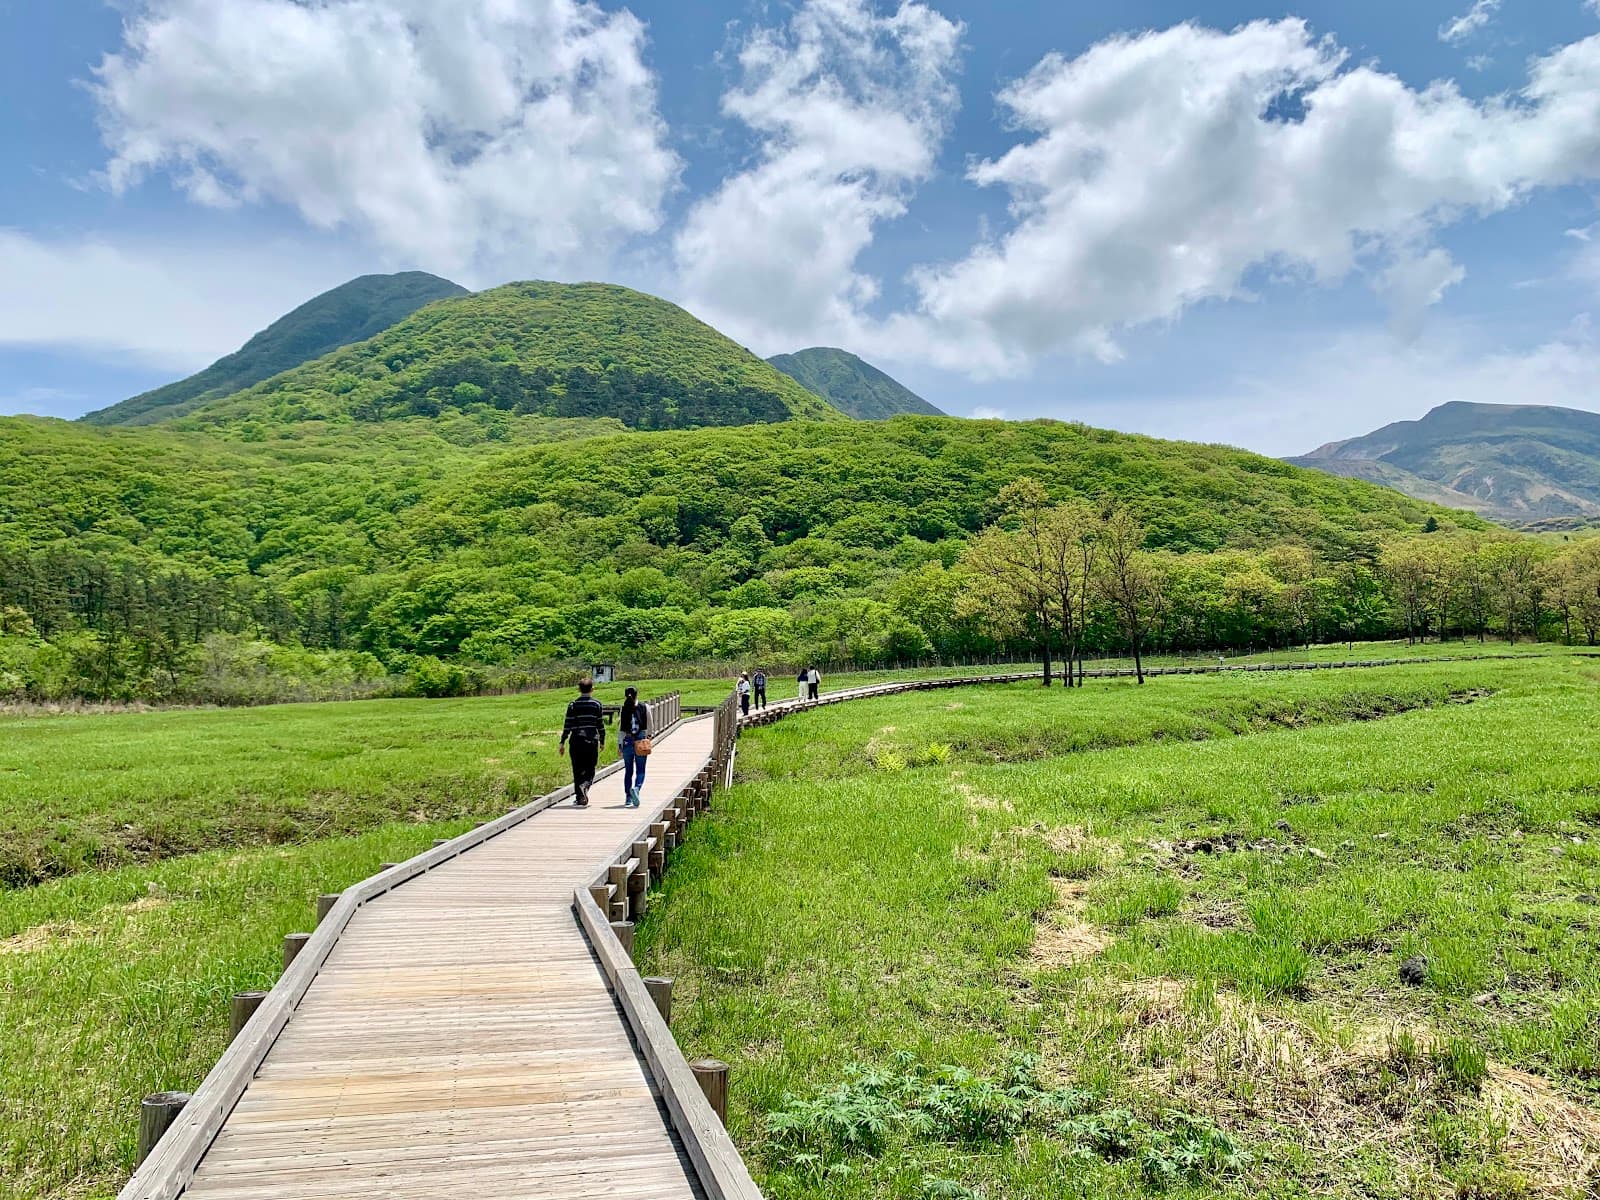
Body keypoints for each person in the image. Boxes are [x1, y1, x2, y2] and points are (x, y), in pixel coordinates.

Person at [558, 677, 606, 807]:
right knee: (590, 767)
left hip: (576, 741)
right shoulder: (596, 704)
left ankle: (580, 798)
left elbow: (567, 724)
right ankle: (585, 785)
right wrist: (602, 740)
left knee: (577, 769)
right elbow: (600, 724)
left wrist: (562, 742)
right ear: (592, 689)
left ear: (579, 689)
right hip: (591, 740)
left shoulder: (573, 705)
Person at [618, 685, 649, 808]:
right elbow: (649, 725)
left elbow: (620, 729)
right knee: (640, 769)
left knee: (628, 771)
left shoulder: (623, 708)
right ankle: (636, 788)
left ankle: (628, 798)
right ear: (637, 694)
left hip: (627, 740)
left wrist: (619, 744)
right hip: (641, 740)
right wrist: (649, 737)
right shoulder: (644, 706)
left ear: (626, 695)